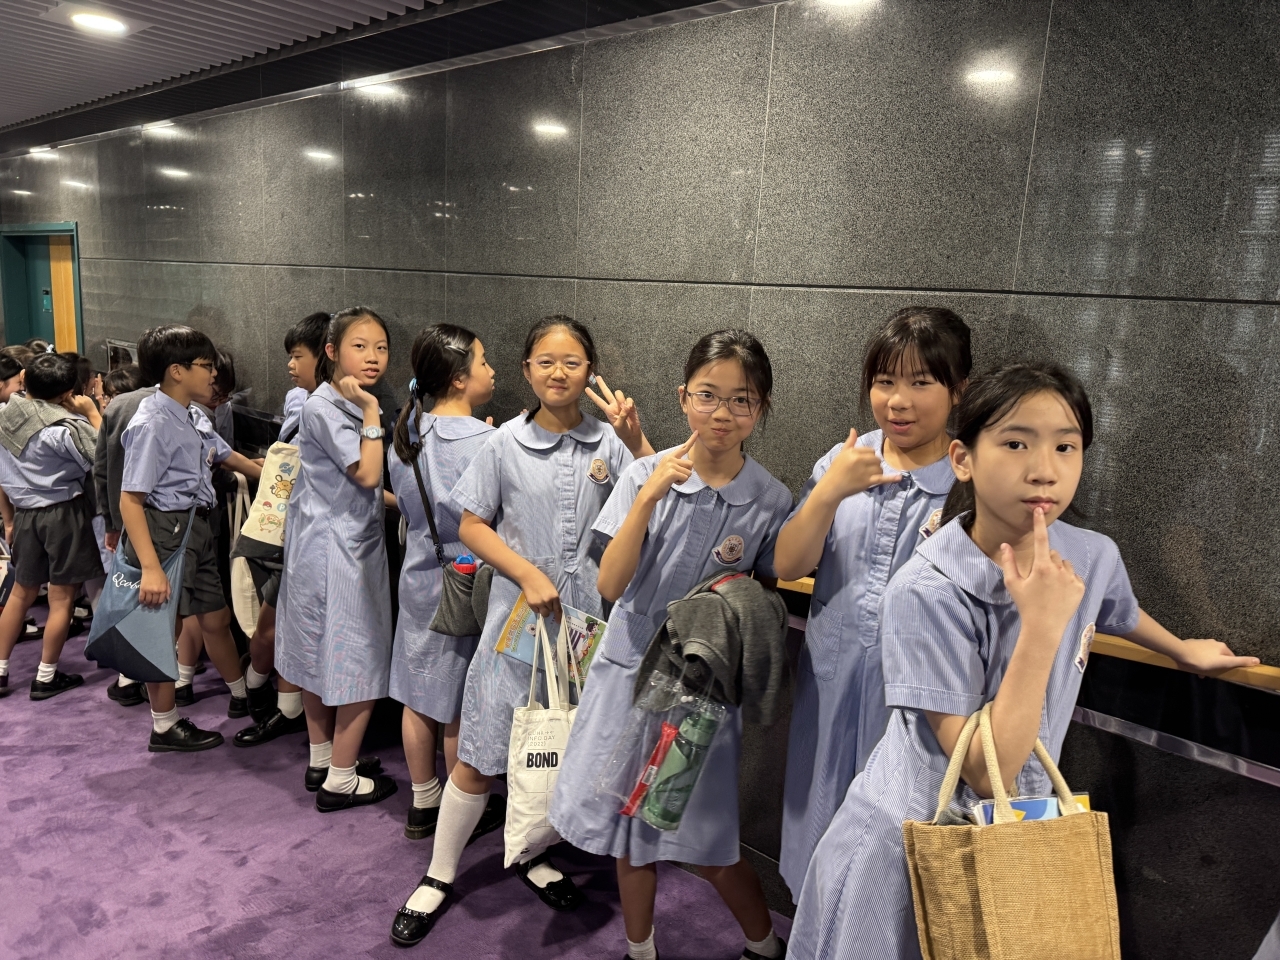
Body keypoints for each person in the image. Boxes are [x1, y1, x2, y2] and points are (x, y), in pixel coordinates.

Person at [788, 362, 1260, 960]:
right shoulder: (926, 589)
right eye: (1015, 444)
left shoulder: (1088, 553)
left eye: (1066, 446)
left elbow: (1115, 610)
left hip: (1015, 835)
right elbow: (986, 773)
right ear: (963, 459)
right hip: (912, 844)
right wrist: (1040, 627)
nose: (1044, 469)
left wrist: (1179, 648)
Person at [390, 315, 654, 947]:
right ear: (526, 370)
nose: (558, 373)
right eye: (545, 361)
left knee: (558, 747)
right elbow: (472, 525)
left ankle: (532, 853)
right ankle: (439, 874)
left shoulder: (610, 444)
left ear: (590, 371)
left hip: (588, 629)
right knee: (482, 752)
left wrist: (637, 440)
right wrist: (527, 573)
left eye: (572, 362)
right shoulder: (502, 442)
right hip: (516, 624)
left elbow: (660, 501)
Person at [549, 329, 794, 960]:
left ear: (761, 408)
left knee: (707, 842)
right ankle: (641, 950)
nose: (722, 412)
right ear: (683, 398)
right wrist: (649, 495)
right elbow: (610, 584)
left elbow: (764, 592)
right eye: (707, 395)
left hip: (699, 697)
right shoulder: (642, 474)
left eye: (741, 400)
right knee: (629, 831)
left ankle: (765, 945)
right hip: (627, 675)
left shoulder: (770, 499)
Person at [773, 306, 971, 897]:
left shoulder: (969, 481)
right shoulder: (844, 462)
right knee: (817, 830)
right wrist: (830, 491)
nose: (898, 401)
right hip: (831, 687)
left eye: (921, 382)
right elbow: (788, 564)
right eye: (885, 381)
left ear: (958, 389)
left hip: (917, 702)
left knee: (889, 862)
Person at [386, 324, 506, 842]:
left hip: (418, 572)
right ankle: (463, 810)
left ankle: (423, 801)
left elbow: (411, 504)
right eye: (484, 361)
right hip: (468, 580)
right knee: (459, 702)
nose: (492, 371)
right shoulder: (491, 441)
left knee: (419, 694)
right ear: (459, 378)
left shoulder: (406, 432)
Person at [274, 307, 398, 807]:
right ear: (332, 351)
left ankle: (322, 758)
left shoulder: (328, 403)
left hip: (320, 544)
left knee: (317, 648)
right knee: (358, 656)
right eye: (360, 346)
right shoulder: (328, 407)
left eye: (381, 348)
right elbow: (367, 475)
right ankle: (340, 779)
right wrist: (371, 412)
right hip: (339, 553)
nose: (372, 357)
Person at [119, 326, 263, 752]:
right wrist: (150, 567)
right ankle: (164, 725)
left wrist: (276, 474)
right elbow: (131, 500)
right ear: (176, 371)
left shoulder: (193, 414)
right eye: (206, 365)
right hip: (165, 531)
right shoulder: (152, 423)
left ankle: (241, 694)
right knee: (164, 628)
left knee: (215, 616)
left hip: (197, 527)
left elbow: (225, 455)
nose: (213, 373)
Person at [234, 311, 329, 747]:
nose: (290, 365)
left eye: (298, 356)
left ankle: (266, 700)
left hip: (305, 538)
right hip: (284, 533)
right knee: (275, 627)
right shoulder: (302, 402)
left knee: (279, 628)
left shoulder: (327, 410)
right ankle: (267, 699)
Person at [0, 353, 103, 699]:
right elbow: (104, 458)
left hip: (24, 514)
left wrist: (9, 519)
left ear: (24, 379)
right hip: (63, 514)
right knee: (62, 598)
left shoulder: (3, 415)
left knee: (20, 593)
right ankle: (46, 676)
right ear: (67, 393)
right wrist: (92, 413)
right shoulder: (65, 428)